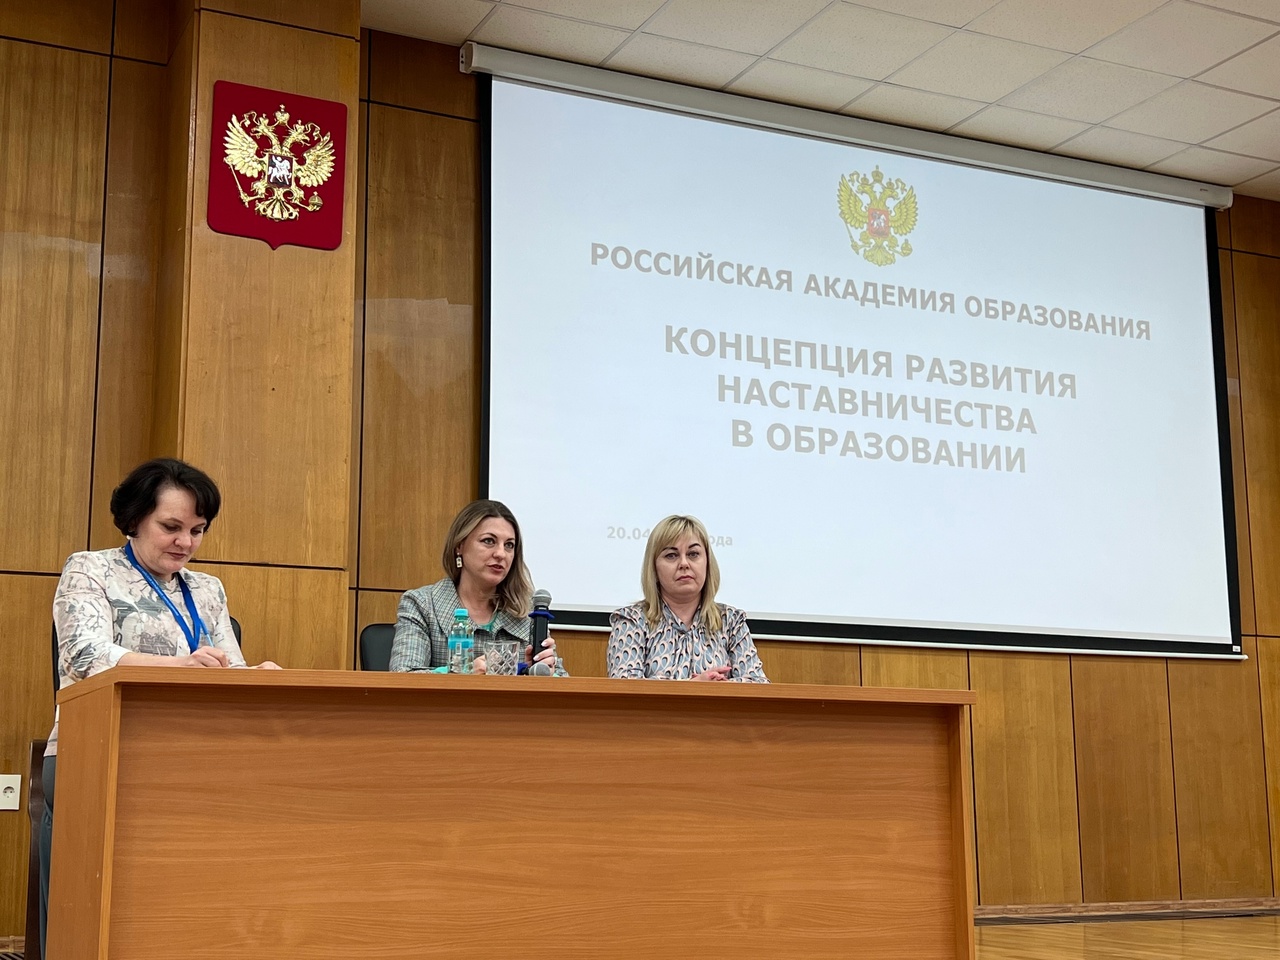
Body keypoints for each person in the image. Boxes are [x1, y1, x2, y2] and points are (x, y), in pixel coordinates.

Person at [39, 458, 280, 957]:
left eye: (197, 530)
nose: (185, 542)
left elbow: (227, 670)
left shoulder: (207, 588)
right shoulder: (90, 569)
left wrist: (255, 676)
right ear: (134, 519)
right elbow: (84, 656)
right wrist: (179, 666)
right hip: (97, 751)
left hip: (195, 756)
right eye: (171, 527)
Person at [390, 499, 563, 674]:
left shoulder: (527, 613)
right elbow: (403, 675)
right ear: (460, 545)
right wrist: (464, 673)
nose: (501, 554)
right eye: (489, 541)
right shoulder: (422, 605)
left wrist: (540, 673)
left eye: (509, 545)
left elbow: (564, 682)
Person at [608, 514, 768, 682]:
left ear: (707, 563)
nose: (684, 563)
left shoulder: (731, 621)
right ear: (654, 568)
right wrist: (694, 686)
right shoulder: (632, 620)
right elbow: (624, 686)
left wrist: (717, 688)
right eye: (671, 555)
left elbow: (759, 684)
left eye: (693, 554)